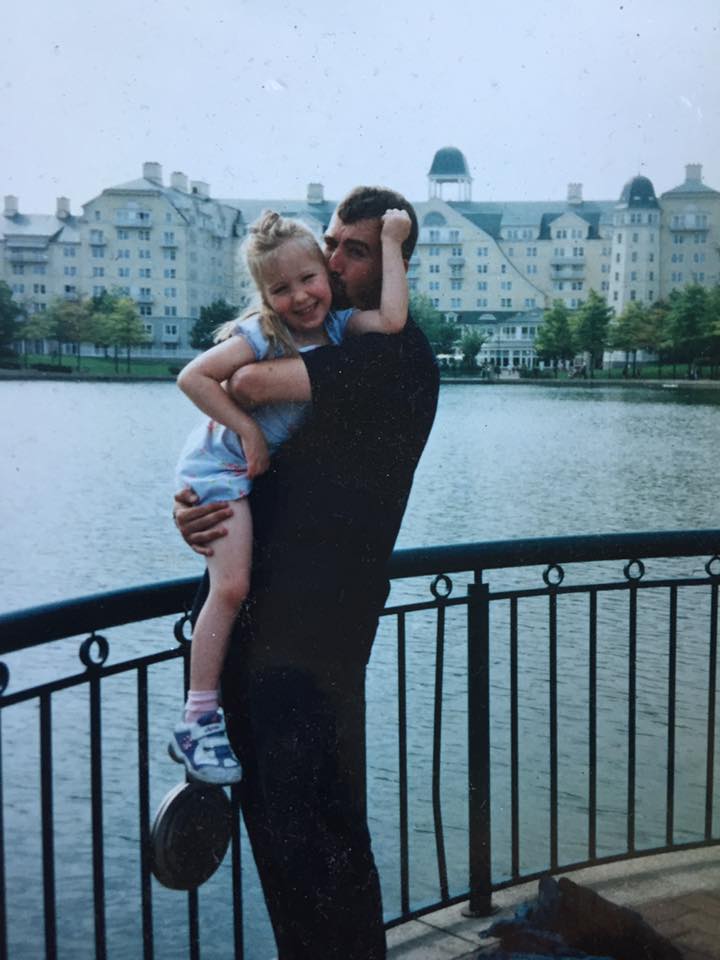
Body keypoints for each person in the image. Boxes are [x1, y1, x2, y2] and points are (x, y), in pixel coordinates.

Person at [174, 186, 439, 959]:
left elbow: (249, 386)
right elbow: (253, 462)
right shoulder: (333, 347)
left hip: (300, 649)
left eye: (355, 250)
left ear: (392, 260)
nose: (331, 263)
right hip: (293, 640)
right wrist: (199, 510)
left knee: (313, 854)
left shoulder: (392, 356)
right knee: (314, 852)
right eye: (332, 243)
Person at [169, 208, 412, 784]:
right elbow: (192, 378)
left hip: (239, 478)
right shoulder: (262, 334)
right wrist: (249, 430)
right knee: (230, 587)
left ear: (326, 276)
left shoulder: (336, 331)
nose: (301, 296)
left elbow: (395, 320)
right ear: (263, 294)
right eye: (281, 288)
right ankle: (197, 717)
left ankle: (205, 714)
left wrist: (395, 241)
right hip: (219, 467)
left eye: (310, 279)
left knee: (232, 585)